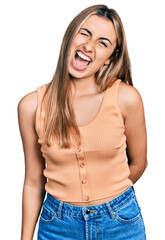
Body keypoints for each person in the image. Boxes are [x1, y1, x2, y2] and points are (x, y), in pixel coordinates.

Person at [18, 4, 148, 240]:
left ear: (111, 58)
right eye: (84, 33)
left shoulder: (126, 98)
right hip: (57, 227)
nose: (88, 46)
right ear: (70, 35)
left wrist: (111, 199)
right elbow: (33, 181)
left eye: (103, 42)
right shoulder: (31, 106)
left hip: (120, 224)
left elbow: (139, 163)